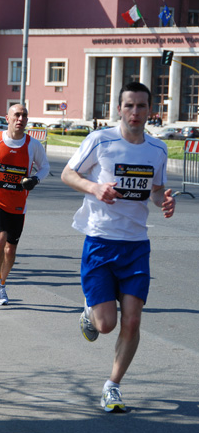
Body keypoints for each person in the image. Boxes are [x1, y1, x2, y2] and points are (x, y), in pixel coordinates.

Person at [61, 81, 175, 413]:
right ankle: (89, 310)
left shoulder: (157, 150)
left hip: (136, 245)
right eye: (129, 106)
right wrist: (94, 188)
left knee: (133, 321)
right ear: (119, 109)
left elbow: (156, 191)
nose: (136, 113)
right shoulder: (101, 140)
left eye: (142, 106)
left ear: (150, 110)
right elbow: (69, 174)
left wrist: (163, 200)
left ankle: (113, 386)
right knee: (105, 325)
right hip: (100, 241)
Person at [0, 104, 50, 305]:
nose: (20, 118)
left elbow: (45, 167)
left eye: (24, 115)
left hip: (18, 202)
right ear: (7, 118)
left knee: (10, 249)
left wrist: (35, 179)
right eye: (16, 115)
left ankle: (3, 285)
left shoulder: (33, 145)